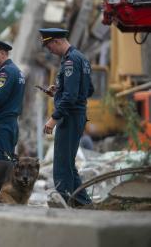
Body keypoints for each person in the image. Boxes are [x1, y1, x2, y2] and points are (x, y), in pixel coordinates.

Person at [39, 28, 94, 207]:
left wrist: (53, 119)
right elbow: (88, 90)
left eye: (49, 46)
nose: (50, 51)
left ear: (57, 41)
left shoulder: (70, 61)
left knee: (62, 165)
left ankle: (63, 203)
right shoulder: (81, 58)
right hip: (77, 115)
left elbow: (70, 97)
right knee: (69, 164)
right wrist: (59, 89)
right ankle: (83, 203)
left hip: (69, 117)